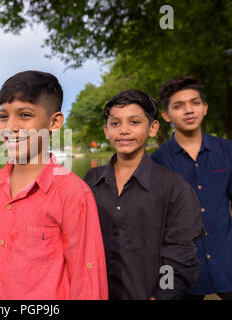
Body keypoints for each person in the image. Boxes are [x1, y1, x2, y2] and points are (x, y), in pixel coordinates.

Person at [0, 70, 108, 300]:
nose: (10, 127)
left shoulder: (73, 193)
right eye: (4, 116)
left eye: (25, 115)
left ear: (54, 122)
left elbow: (88, 282)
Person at [83, 89, 205, 300]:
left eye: (134, 122)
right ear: (106, 131)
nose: (124, 130)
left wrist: (160, 296)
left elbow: (178, 259)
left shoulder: (173, 186)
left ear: (153, 128)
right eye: (115, 123)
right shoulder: (90, 181)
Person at [151, 76, 232, 300]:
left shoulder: (229, 151)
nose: (189, 110)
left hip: (229, 262)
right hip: (179, 268)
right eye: (178, 106)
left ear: (205, 108)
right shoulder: (156, 162)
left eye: (195, 103)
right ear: (166, 115)